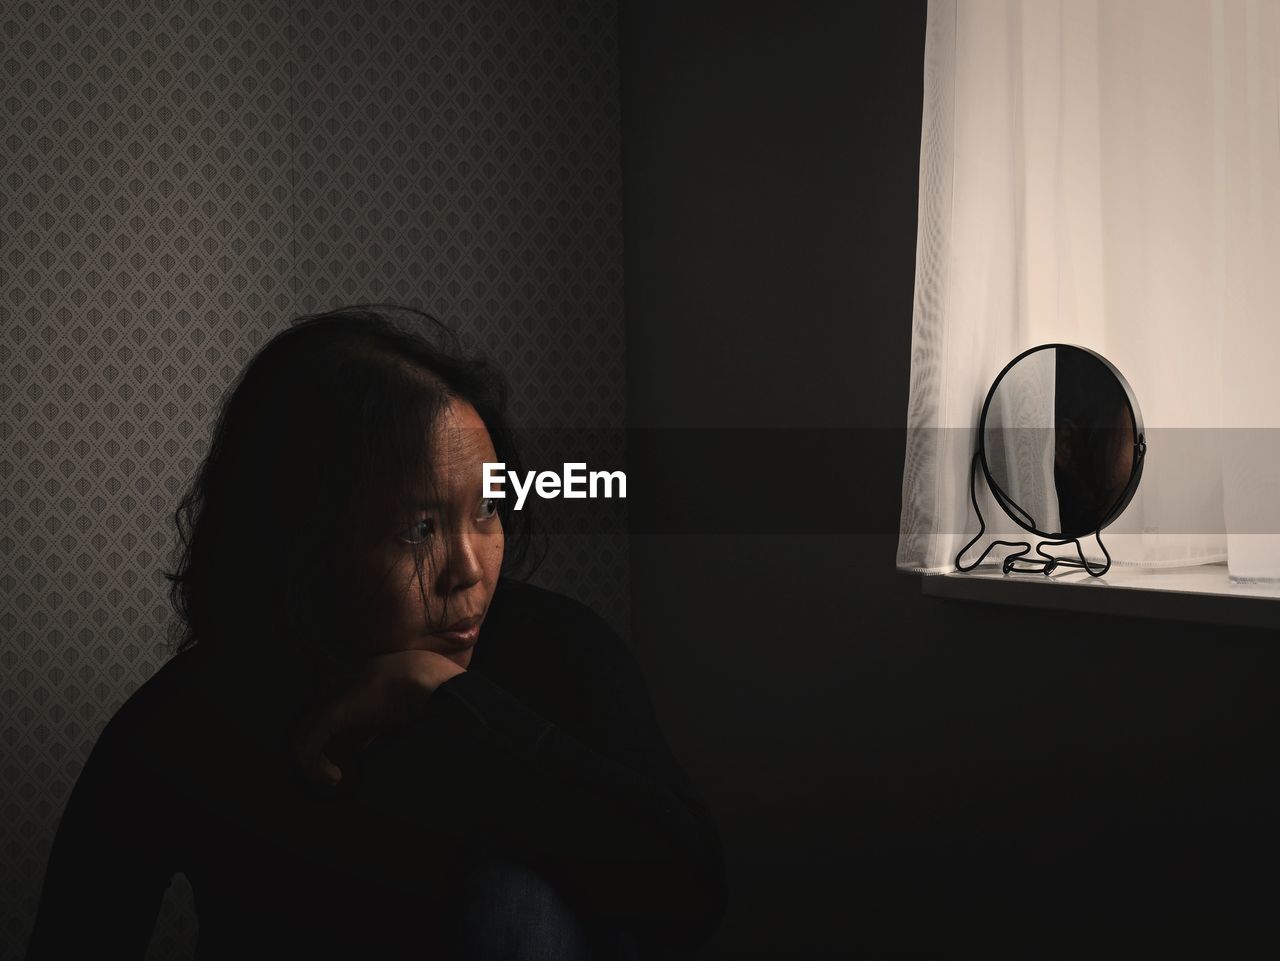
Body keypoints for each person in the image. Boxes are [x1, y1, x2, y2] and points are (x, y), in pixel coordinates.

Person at [24, 305, 727, 960]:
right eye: (419, 529)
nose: (470, 568)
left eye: (487, 509)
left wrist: (452, 702)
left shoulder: (557, 648)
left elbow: (691, 894)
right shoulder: (194, 717)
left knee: (516, 899)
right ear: (304, 544)